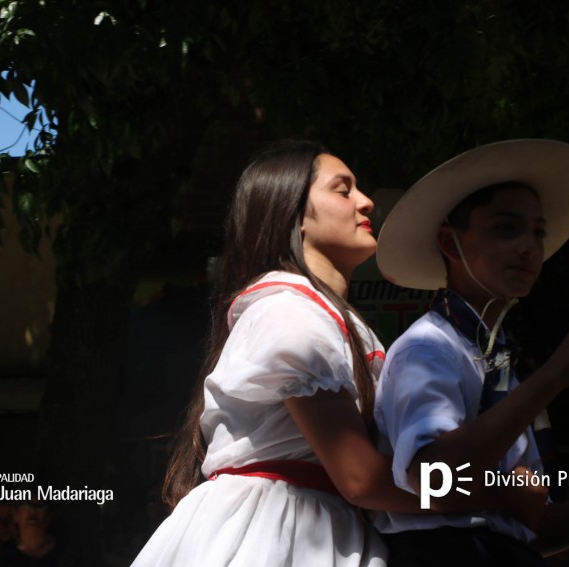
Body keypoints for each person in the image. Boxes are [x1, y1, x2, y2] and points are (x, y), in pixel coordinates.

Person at [131, 140, 457, 566]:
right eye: (344, 190)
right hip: (278, 537)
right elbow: (361, 477)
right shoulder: (291, 314)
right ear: (294, 215)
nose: (367, 202)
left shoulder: (317, 317)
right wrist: (487, 491)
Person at [373, 139, 569, 566]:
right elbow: (435, 484)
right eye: (507, 228)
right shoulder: (427, 349)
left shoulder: (501, 361)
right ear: (450, 243)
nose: (529, 246)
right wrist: (554, 377)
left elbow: (529, 527)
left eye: (538, 232)